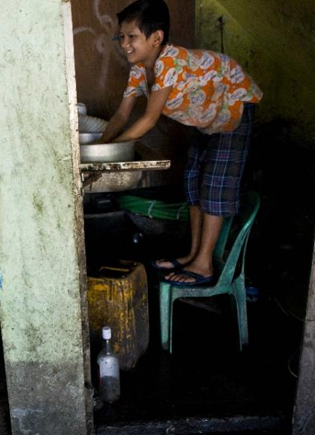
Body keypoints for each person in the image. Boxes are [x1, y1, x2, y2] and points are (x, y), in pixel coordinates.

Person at [100, 0, 262, 286]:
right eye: (121, 37)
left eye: (132, 37)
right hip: (207, 118)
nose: (124, 44)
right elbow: (121, 115)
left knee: (215, 184)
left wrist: (110, 154)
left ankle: (204, 264)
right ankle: (192, 255)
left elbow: (148, 120)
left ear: (156, 38)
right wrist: (100, 148)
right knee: (192, 181)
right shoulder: (139, 68)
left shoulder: (169, 62)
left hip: (234, 103)